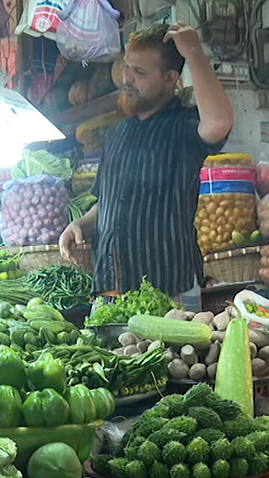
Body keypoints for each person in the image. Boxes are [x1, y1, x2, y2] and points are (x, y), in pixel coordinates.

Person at [59, 24, 233, 299]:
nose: (127, 78)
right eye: (127, 67)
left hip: (170, 291)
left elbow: (219, 122)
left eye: (139, 72)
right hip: (109, 289)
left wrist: (194, 53)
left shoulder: (184, 127)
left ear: (170, 79)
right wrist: (80, 224)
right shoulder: (117, 133)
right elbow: (109, 203)